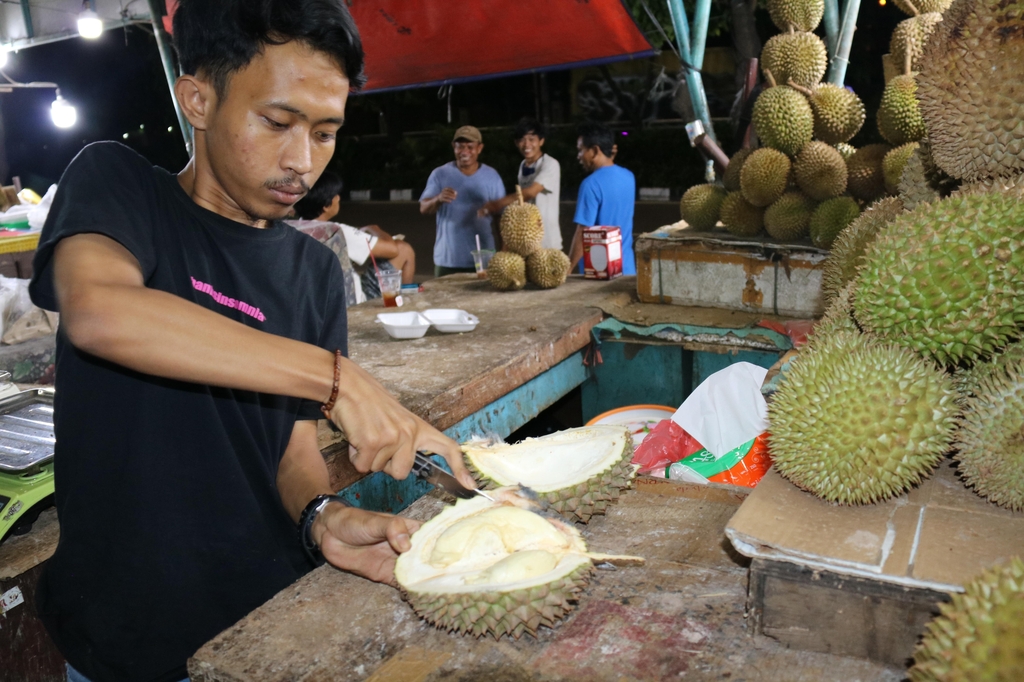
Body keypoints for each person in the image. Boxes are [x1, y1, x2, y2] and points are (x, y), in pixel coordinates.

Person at [27, 2, 473, 681]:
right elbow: (101, 311)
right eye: (277, 122)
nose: (302, 162)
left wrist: (320, 516)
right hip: (123, 636)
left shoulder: (313, 272)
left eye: (325, 133)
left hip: (264, 628)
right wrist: (337, 378)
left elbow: (291, 451)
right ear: (199, 98)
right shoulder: (117, 188)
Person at [290, 170, 416, 303]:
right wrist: (374, 229)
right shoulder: (335, 232)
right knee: (403, 249)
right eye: (335, 195)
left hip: (313, 301)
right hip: (351, 303)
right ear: (326, 205)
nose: (338, 198)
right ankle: (407, 303)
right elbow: (392, 249)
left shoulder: (290, 228)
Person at [419, 126, 505, 277]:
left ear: (480, 148)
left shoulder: (492, 176)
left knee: (484, 300)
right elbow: (424, 208)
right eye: (460, 146)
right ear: (454, 147)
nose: (465, 151)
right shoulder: (440, 174)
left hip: (483, 259)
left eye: (470, 147)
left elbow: (501, 217)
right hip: (447, 261)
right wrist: (438, 199)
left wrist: (504, 251)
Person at [478, 118, 562, 250]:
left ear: (541, 141)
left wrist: (497, 204)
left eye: (531, 139)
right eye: (521, 140)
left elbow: (530, 192)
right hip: (526, 241)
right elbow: (521, 201)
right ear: (516, 143)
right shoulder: (523, 165)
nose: (526, 144)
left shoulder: (550, 164)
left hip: (547, 243)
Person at [568, 121, 637, 275]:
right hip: (628, 269)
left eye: (581, 150)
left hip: (600, 272)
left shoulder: (590, 185)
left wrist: (568, 268)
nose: (579, 156)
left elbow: (583, 232)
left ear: (594, 151)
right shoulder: (629, 176)